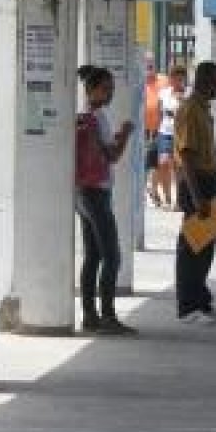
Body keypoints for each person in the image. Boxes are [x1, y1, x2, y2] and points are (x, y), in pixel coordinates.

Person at [74, 64, 138, 336]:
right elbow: (112, 155)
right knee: (111, 255)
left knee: (93, 255)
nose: (110, 93)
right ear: (90, 89)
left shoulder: (81, 115)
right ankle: (108, 315)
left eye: (111, 88)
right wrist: (125, 134)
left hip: (81, 190)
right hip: (96, 192)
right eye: (105, 88)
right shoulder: (97, 117)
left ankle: (90, 314)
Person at [174, 61, 216, 325]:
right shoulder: (190, 110)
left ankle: (201, 300)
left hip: (207, 179)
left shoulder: (202, 108)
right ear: (208, 81)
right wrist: (197, 197)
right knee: (192, 247)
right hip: (194, 182)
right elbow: (186, 154)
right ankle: (188, 307)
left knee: (206, 244)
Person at [152, 65, 187, 209]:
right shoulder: (163, 93)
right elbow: (159, 113)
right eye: (174, 78)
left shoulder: (188, 94)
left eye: (180, 78)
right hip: (165, 131)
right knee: (163, 162)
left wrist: (182, 101)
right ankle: (166, 197)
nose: (178, 81)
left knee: (179, 167)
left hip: (181, 133)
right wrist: (155, 131)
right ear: (170, 79)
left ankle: (178, 200)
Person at [142, 54, 165, 207]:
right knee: (143, 162)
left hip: (159, 128)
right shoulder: (139, 80)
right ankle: (144, 190)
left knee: (156, 162)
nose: (149, 65)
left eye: (151, 63)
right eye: (146, 63)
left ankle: (153, 189)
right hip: (142, 130)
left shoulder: (163, 80)